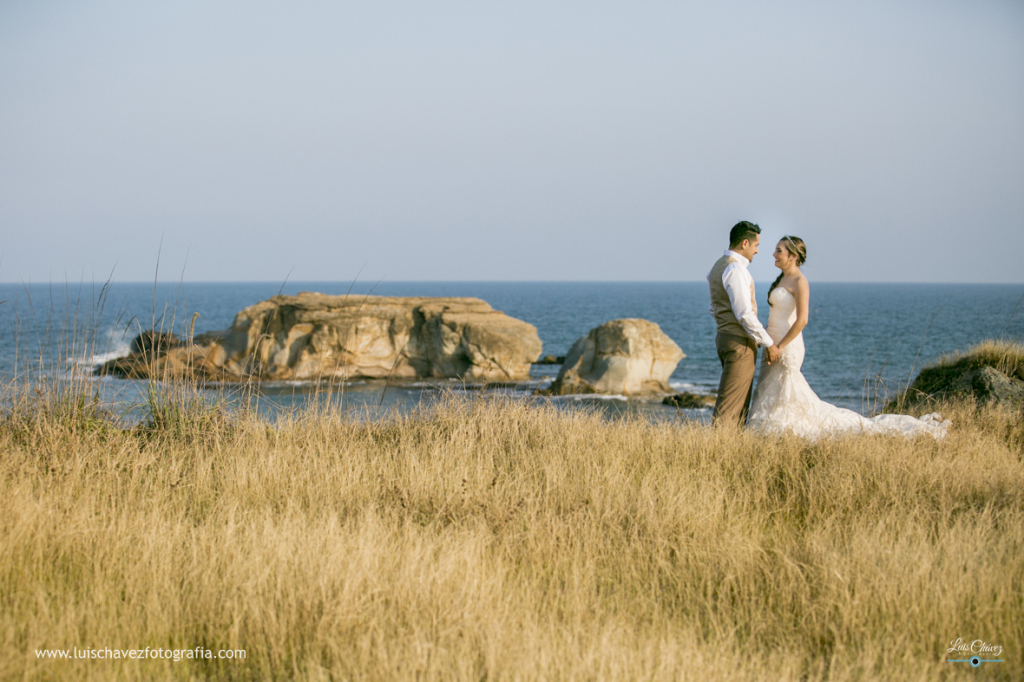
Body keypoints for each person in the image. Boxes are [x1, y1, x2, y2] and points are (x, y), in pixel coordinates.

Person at [747, 236, 949, 439]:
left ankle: (782, 430)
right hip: (772, 343)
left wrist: (779, 346)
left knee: (786, 390)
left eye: (779, 250)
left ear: (793, 256)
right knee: (768, 388)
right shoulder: (781, 279)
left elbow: (802, 320)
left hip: (786, 345)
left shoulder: (800, 282)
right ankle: (765, 431)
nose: (774, 254)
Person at [707, 221, 781, 427]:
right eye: (756, 245)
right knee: (730, 408)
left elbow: (714, 308)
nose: (757, 251)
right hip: (739, 342)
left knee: (737, 403)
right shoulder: (735, 269)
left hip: (724, 337)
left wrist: (725, 327)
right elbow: (744, 314)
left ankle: (732, 451)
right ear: (745, 243)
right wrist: (768, 343)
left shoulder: (717, 266)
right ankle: (717, 452)